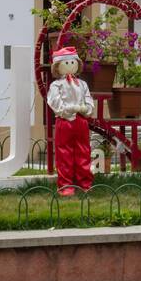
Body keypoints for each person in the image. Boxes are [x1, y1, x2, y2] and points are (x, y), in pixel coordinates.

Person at [47, 45, 94, 196]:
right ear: (57, 67)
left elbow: (88, 100)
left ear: (77, 64)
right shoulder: (56, 85)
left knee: (83, 151)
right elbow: (55, 102)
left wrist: (85, 109)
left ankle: (84, 183)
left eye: (72, 63)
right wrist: (69, 110)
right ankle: (65, 185)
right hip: (64, 121)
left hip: (81, 121)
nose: (69, 66)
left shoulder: (82, 84)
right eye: (65, 63)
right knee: (64, 153)